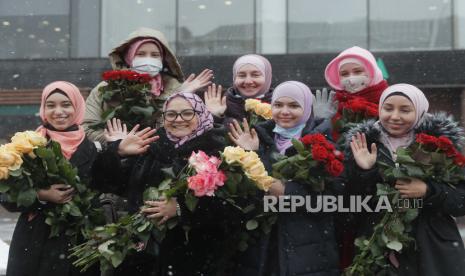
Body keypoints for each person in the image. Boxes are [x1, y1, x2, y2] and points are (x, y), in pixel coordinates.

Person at [94, 91, 239, 275]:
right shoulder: (150, 145)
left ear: (201, 114)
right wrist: (117, 151)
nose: (178, 119)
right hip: (143, 253)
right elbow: (105, 184)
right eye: (170, 114)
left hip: (194, 257)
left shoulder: (219, 151)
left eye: (187, 113)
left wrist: (181, 209)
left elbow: (231, 208)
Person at [345, 83, 465, 275]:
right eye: (388, 108)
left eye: (405, 110)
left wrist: (428, 190)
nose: (394, 116)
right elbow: (350, 205)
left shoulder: (442, 146)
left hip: (433, 249)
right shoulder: (362, 144)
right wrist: (365, 171)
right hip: (378, 249)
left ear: (419, 111)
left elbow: (460, 201)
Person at [229, 81, 340, 276]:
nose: (284, 111)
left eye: (294, 106)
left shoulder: (321, 144)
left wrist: (288, 193)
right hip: (263, 246)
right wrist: (250, 154)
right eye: (278, 105)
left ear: (306, 109)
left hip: (307, 248)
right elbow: (244, 195)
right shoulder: (258, 137)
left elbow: (332, 199)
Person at [5, 81, 103, 276]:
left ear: (77, 107)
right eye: (51, 105)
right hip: (34, 240)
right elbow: (6, 196)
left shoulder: (94, 148)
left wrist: (118, 150)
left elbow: (111, 185)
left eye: (66, 104)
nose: (59, 111)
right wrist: (41, 195)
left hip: (79, 241)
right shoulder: (26, 146)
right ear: (43, 108)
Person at [84, 27, 213, 144]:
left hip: (159, 163)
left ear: (163, 59)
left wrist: (179, 96)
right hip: (116, 162)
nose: (148, 59)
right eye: (140, 54)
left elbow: (185, 132)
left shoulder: (175, 89)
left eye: (155, 55)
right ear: (129, 57)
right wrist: (116, 142)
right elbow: (87, 129)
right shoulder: (106, 89)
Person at [204, 54, 273, 126]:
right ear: (234, 78)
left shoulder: (280, 105)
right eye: (242, 75)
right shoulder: (221, 105)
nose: (248, 81)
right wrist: (215, 117)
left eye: (255, 75)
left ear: (267, 77)